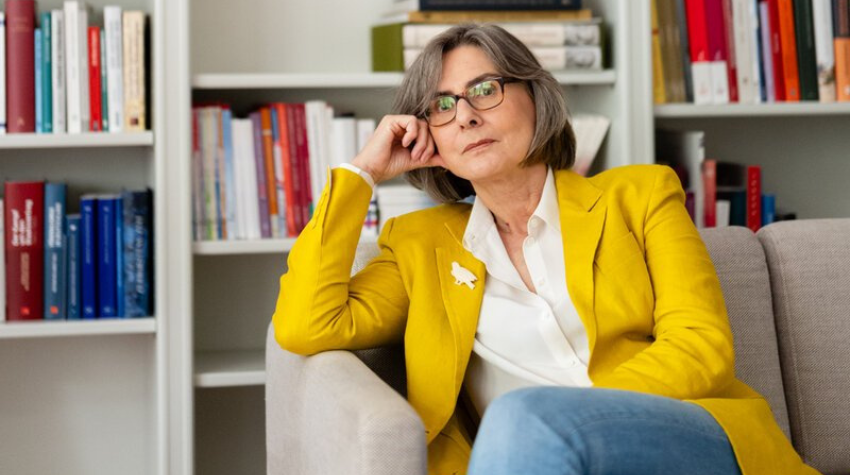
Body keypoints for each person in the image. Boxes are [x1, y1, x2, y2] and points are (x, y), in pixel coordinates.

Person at [273, 24, 819, 475]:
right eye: (441, 106)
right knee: (522, 425)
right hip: (529, 460)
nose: (465, 116)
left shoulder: (640, 195)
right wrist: (361, 174)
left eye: (484, 90)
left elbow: (702, 347)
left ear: (534, 93)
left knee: (523, 416)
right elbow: (306, 325)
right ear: (429, 138)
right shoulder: (420, 245)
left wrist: (569, 411)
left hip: (673, 434)